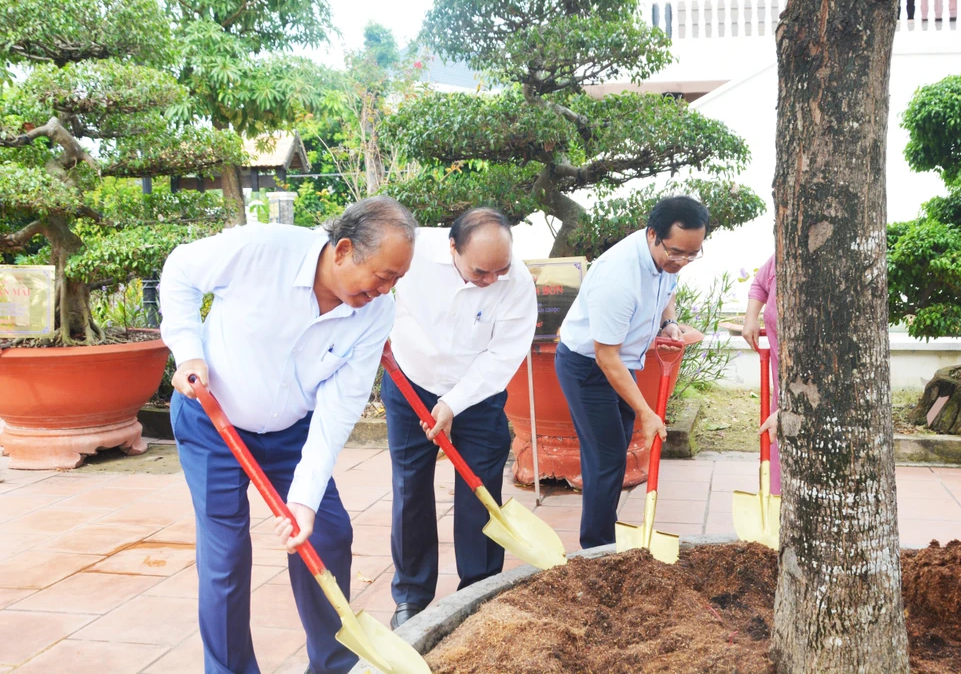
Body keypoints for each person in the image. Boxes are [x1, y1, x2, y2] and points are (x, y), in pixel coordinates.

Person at [159, 196, 417, 674]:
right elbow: (180, 271)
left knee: (327, 535)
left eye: (396, 280)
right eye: (382, 276)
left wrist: (304, 498)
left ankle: (332, 667)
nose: (386, 290)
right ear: (344, 250)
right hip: (213, 421)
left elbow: (340, 407)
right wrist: (188, 350)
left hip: (292, 429)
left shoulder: (376, 312)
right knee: (226, 556)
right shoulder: (262, 249)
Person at [381, 208, 537, 629]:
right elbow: (373, 290)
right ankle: (411, 596)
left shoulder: (517, 282)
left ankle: (478, 589)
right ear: (453, 248)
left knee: (480, 488)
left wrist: (454, 403)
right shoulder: (411, 252)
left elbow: (503, 354)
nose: (492, 279)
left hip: (478, 393)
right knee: (410, 487)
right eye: (480, 271)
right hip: (410, 380)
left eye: (500, 270)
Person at [555, 196, 708, 549]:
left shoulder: (665, 257)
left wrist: (668, 322)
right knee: (606, 458)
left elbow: (667, 287)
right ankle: (598, 551)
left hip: (621, 363)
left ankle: (604, 537)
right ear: (652, 234)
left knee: (612, 453)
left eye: (692, 254)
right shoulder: (618, 276)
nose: (682, 262)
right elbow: (605, 357)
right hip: (588, 367)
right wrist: (646, 412)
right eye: (676, 252)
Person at [743, 253, 781, 495]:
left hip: (813, 396)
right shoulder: (781, 256)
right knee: (776, 453)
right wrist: (751, 318)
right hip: (781, 388)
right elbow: (759, 283)